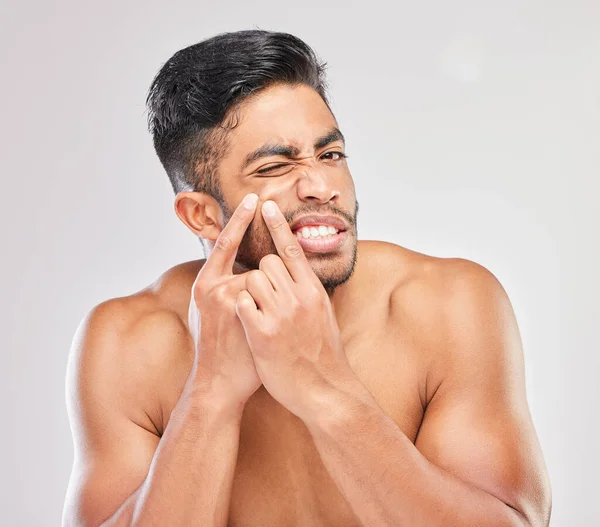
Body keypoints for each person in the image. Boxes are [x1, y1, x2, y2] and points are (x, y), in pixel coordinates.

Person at [62, 29, 552, 527]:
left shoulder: (447, 305)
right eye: (276, 166)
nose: (323, 187)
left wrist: (325, 389)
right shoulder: (128, 341)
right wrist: (209, 393)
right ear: (202, 216)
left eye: (331, 155)